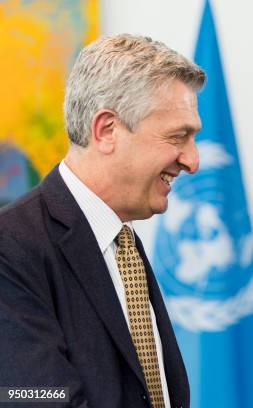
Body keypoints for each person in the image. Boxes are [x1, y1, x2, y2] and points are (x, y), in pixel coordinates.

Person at [0, 34, 205, 407]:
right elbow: (35, 399)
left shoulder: (122, 241)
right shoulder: (10, 248)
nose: (193, 161)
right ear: (107, 129)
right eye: (178, 137)